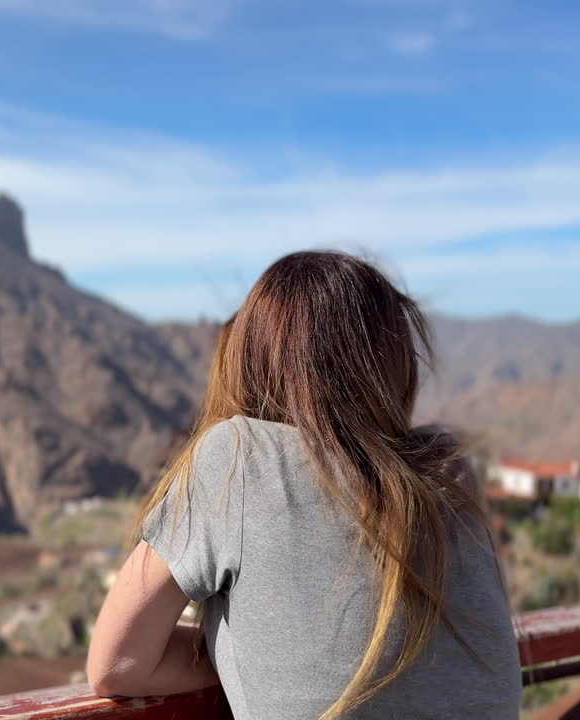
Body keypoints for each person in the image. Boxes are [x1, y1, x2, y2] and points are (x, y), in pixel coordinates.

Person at [86, 251, 520, 719]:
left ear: (252, 357)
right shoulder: (449, 467)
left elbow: (117, 663)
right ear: (392, 362)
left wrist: (247, 647)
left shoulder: (237, 456)